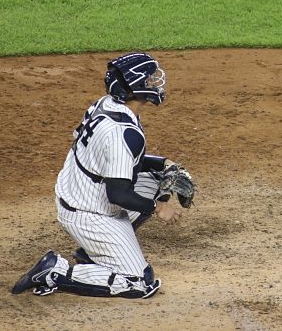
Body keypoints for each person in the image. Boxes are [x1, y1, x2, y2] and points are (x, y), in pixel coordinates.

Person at [12, 52, 183, 298]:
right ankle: (55, 272)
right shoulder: (123, 134)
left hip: (78, 191)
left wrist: (165, 164)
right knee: (138, 282)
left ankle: (94, 251)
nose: (155, 83)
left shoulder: (105, 104)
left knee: (162, 179)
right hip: (88, 214)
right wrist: (158, 208)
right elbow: (118, 194)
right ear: (134, 86)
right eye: (148, 79)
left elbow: (113, 159)